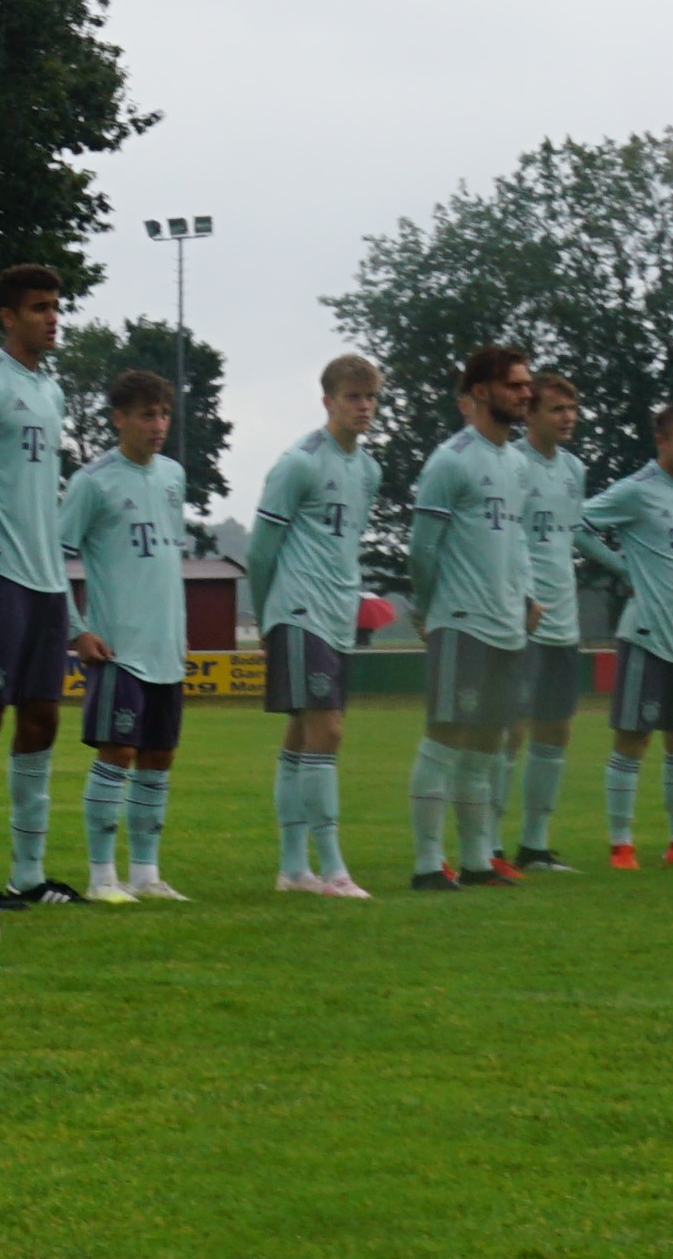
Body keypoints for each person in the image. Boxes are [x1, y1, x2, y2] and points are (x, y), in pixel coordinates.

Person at [243, 354, 385, 896]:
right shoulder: (298, 463)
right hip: (298, 611)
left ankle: (292, 869)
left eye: (370, 398)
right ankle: (333, 870)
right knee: (329, 730)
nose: (363, 407)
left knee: (304, 733)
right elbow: (260, 552)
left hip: (336, 613)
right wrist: (265, 616)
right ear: (327, 401)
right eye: (353, 397)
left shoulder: (368, 470)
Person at [0, 262, 87, 898]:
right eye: (39, 307)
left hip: (44, 580)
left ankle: (29, 875)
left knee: (41, 719)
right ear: (8, 317)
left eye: (55, 306)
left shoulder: (50, 390)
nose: (52, 318)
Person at [401, 346, 539, 891]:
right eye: (515, 385)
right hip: (461, 621)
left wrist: (526, 596)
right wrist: (428, 609)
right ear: (481, 392)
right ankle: (427, 864)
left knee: (487, 744)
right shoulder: (451, 460)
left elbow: (517, 540)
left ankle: (478, 861)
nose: (525, 394)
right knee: (444, 738)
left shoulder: (517, 462)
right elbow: (421, 550)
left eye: (527, 385)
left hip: (507, 622)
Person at [56, 362, 191, 903]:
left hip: (165, 647)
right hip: (118, 647)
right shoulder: (92, 482)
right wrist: (76, 629)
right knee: (117, 752)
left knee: (159, 758)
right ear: (119, 419)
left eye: (163, 414)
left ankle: (145, 874)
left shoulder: (174, 476)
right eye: (145, 415)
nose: (157, 425)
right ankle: (100, 877)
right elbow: (54, 557)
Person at [584, 401, 673, 868]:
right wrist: (620, 565)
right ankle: (620, 845)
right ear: (660, 441)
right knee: (633, 739)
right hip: (647, 634)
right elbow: (577, 523)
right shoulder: (635, 490)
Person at [507, 369, 594, 874]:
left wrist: (628, 567)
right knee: (509, 731)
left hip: (564, 617)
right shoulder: (510, 463)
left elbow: (572, 537)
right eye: (557, 409)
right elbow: (504, 539)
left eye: (572, 408)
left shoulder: (573, 469)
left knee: (556, 729)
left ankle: (535, 846)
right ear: (530, 412)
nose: (568, 418)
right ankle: (488, 848)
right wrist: (520, 597)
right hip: (521, 617)